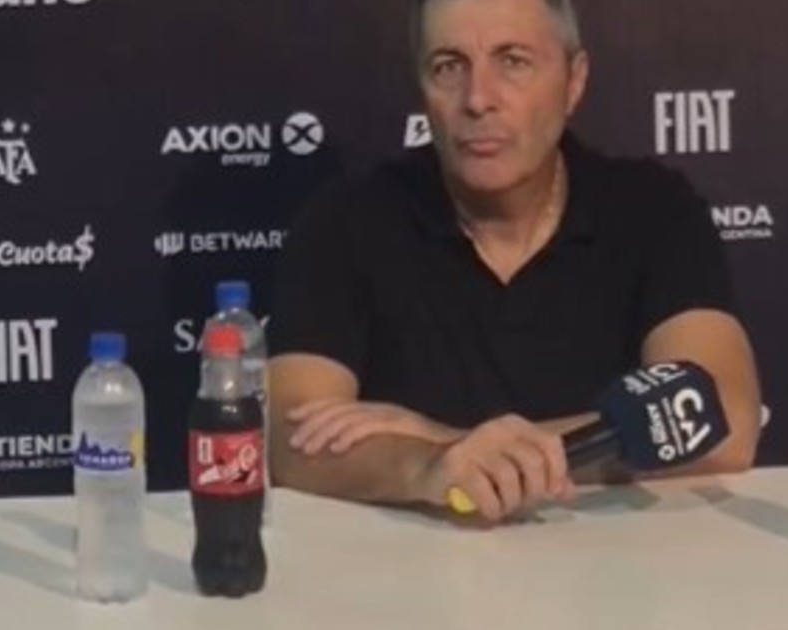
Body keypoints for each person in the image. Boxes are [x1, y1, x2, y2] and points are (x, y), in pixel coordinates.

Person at [266, 0, 762, 523]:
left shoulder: (654, 208)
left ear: (574, 81)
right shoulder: (346, 220)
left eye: (513, 62)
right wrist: (426, 468)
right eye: (448, 66)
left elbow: (722, 422)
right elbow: (288, 441)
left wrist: (450, 445)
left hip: (614, 558)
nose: (478, 98)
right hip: (417, 563)